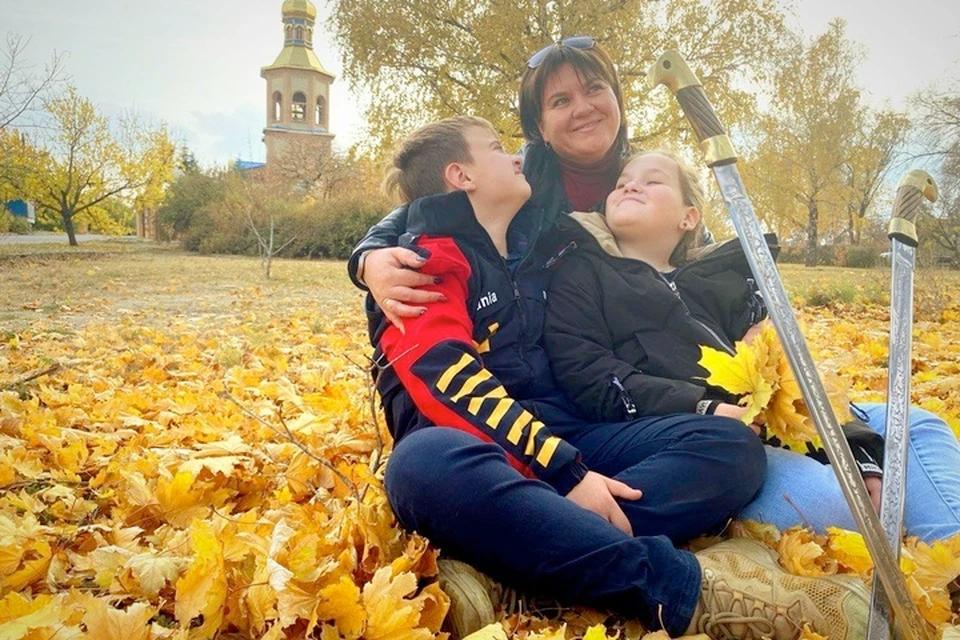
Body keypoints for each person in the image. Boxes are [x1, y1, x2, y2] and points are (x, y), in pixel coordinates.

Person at [367, 114, 869, 640]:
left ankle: (521, 559)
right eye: (496, 147)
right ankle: (683, 590)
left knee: (728, 444)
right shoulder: (418, 264)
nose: (515, 156)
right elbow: (448, 384)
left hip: (570, 436)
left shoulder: (535, 251)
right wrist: (565, 473)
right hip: (477, 456)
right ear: (461, 175)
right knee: (420, 465)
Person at [543, 149, 960, 542]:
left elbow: (794, 382)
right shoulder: (581, 273)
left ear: (689, 217)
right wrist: (705, 407)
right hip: (704, 443)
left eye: (652, 181)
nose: (630, 186)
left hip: (775, 426)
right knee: (836, 502)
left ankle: (948, 559)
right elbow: (588, 371)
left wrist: (860, 452)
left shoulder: (726, 282)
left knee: (917, 424)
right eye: (621, 183)